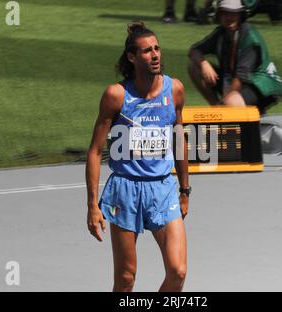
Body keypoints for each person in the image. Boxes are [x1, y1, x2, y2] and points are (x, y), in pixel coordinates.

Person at [86, 21, 191, 292]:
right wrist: (92, 206)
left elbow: (180, 140)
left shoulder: (175, 90)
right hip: (125, 191)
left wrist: (184, 190)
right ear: (132, 57)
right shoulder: (116, 96)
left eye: (157, 49)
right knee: (126, 278)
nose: (155, 55)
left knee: (178, 272)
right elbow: (96, 151)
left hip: (163, 189)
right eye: (147, 51)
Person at [188, 0, 282, 114]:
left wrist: (226, 103)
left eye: (233, 13)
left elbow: (240, 78)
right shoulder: (221, 33)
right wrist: (203, 64)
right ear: (219, 15)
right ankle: (217, 110)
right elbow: (194, 50)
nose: (229, 17)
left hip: (261, 85)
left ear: (240, 15)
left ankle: (228, 113)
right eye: (225, 13)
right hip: (236, 80)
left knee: (231, 102)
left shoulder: (249, 36)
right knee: (194, 67)